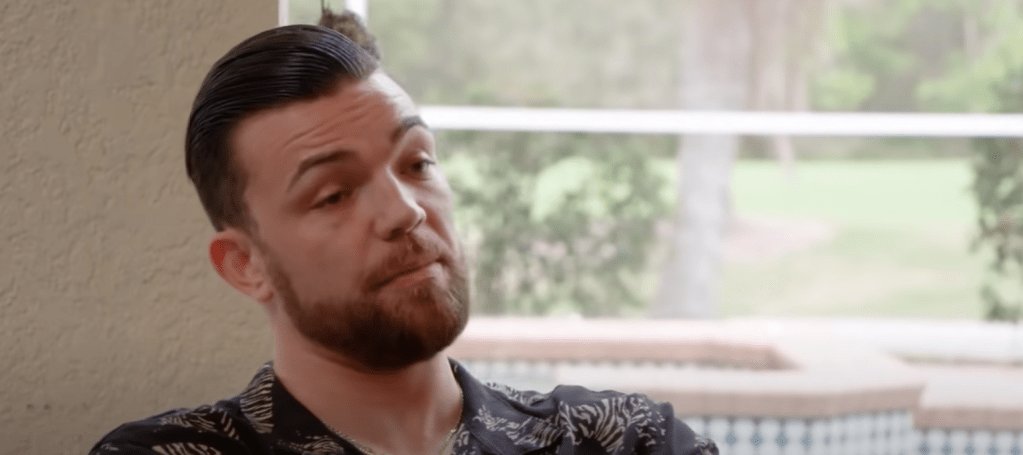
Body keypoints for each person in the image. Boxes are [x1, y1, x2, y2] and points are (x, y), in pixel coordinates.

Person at [90, 10, 718, 455]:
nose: (405, 212)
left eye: (416, 163)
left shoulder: (622, 439)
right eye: (334, 194)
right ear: (244, 264)